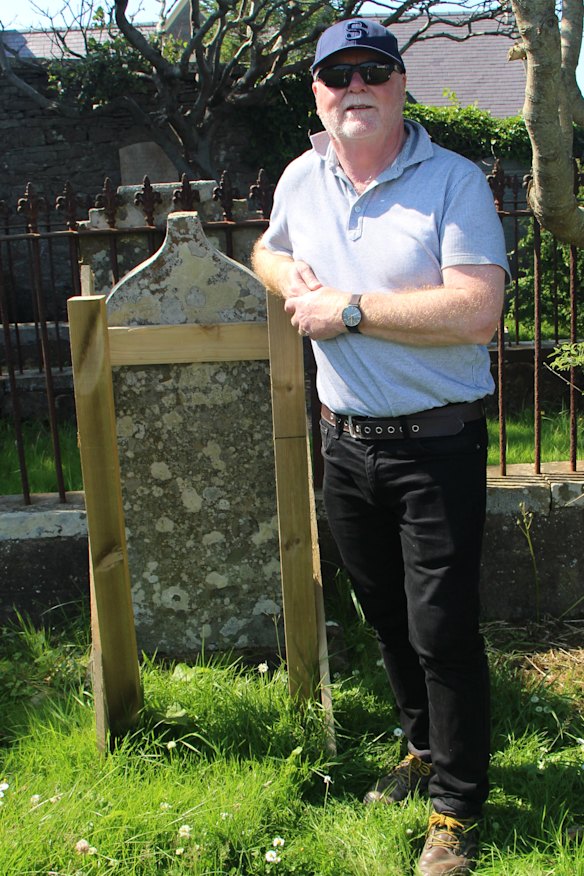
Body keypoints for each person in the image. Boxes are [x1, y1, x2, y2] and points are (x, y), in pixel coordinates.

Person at [251, 17, 508, 876]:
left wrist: (349, 309)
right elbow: (266, 250)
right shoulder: (302, 176)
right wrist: (294, 281)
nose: (354, 87)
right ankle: (423, 748)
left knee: (442, 629)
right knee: (388, 618)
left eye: (372, 72)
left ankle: (458, 812)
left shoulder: (454, 181)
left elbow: (475, 310)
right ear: (318, 95)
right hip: (345, 444)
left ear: (401, 85)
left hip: (436, 448)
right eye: (337, 76)